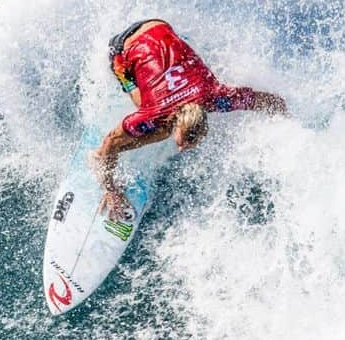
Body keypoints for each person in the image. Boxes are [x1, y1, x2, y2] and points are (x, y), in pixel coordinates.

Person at [92, 19, 286, 219]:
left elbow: (266, 101)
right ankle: (96, 157)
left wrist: (285, 118)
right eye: (184, 142)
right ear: (177, 119)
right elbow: (109, 142)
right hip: (122, 46)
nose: (182, 148)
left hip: (157, 26)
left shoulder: (215, 97)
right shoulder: (156, 113)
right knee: (158, 131)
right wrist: (111, 190)